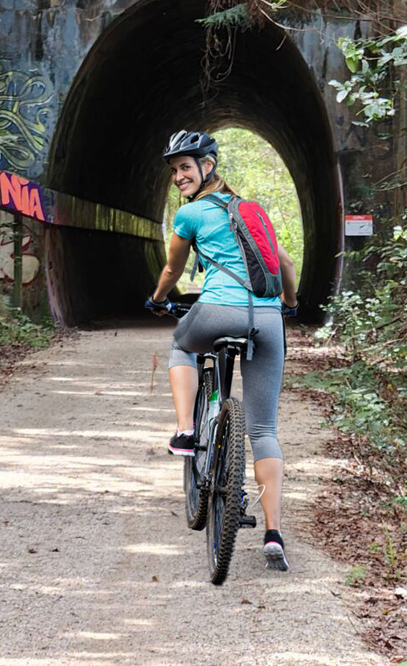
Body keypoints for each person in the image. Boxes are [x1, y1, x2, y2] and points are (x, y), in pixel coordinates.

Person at [146, 129, 299, 572]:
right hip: (267, 322)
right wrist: (288, 306)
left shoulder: (191, 215)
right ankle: (272, 533)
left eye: (185, 168)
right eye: (174, 170)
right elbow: (286, 265)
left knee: (180, 345)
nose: (178, 176)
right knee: (263, 430)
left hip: (216, 312)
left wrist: (157, 300)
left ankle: (187, 430)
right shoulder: (253, 211)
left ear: (207, 167)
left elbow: (173, 268)